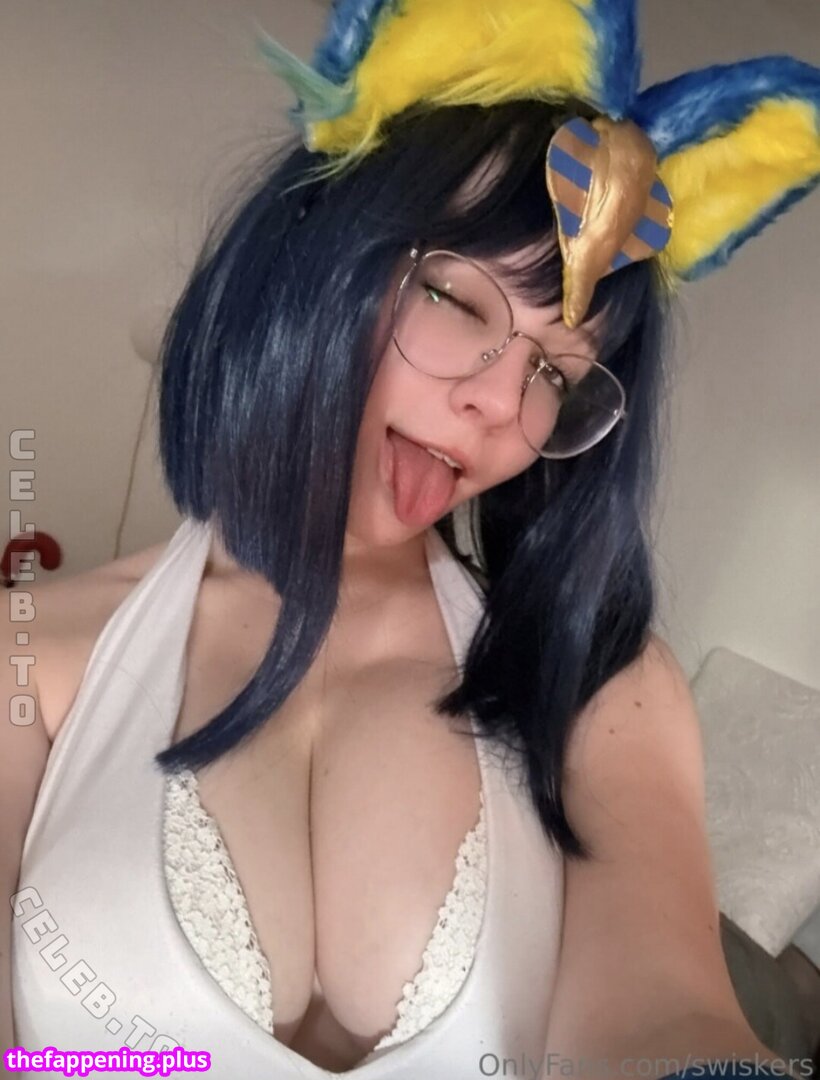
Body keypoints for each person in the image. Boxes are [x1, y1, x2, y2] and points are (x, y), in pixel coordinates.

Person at [3, 2, 818, 1077]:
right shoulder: (33, 651)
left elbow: (661, 1013)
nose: (502, 406)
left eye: (556, 373)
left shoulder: (593, 684)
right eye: (456, 300)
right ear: (310, 249)